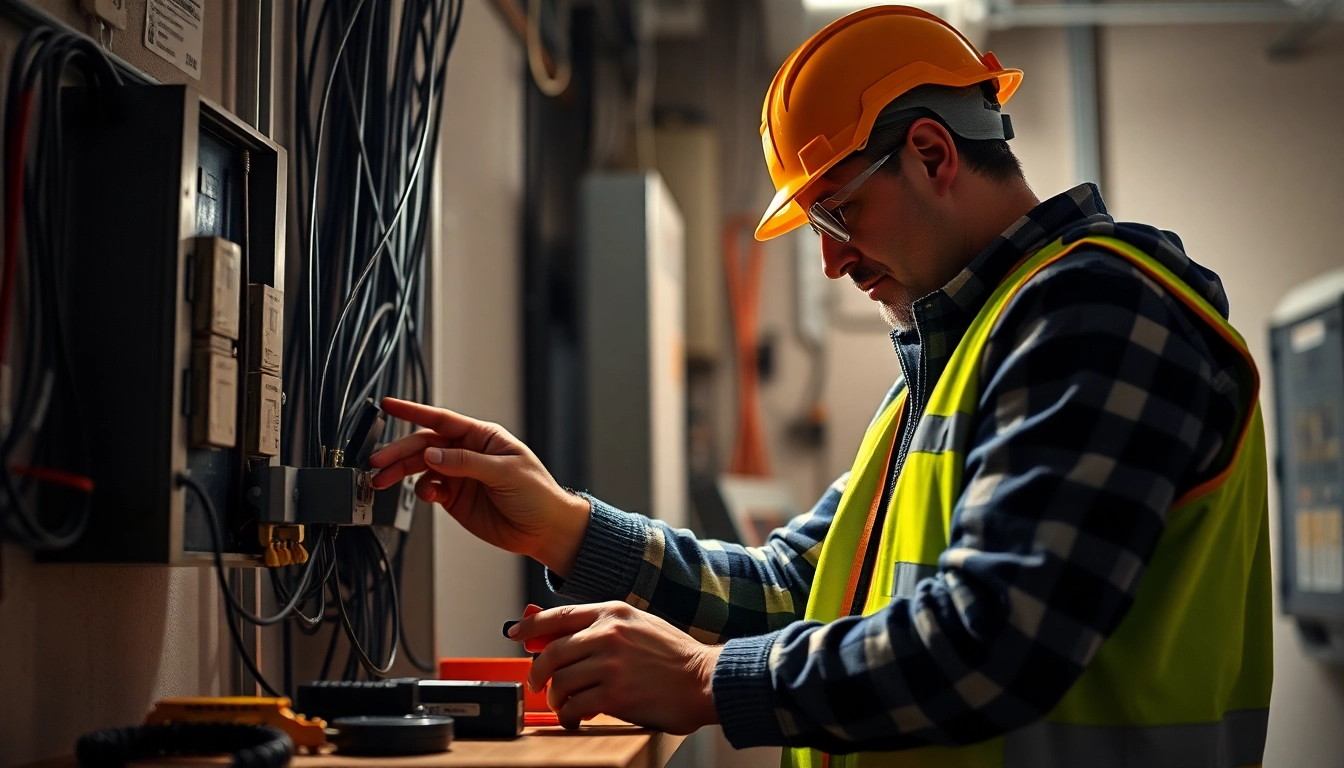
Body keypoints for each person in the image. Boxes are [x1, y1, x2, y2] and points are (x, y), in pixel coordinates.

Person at [370, 6, 1272, 766]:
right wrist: (564, 523)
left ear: (931, 153)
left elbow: (995, 637)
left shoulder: (1097, 310)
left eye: (838, 211)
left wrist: (703, 679)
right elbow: (803, 582)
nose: (834, 260)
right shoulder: (957, 351)